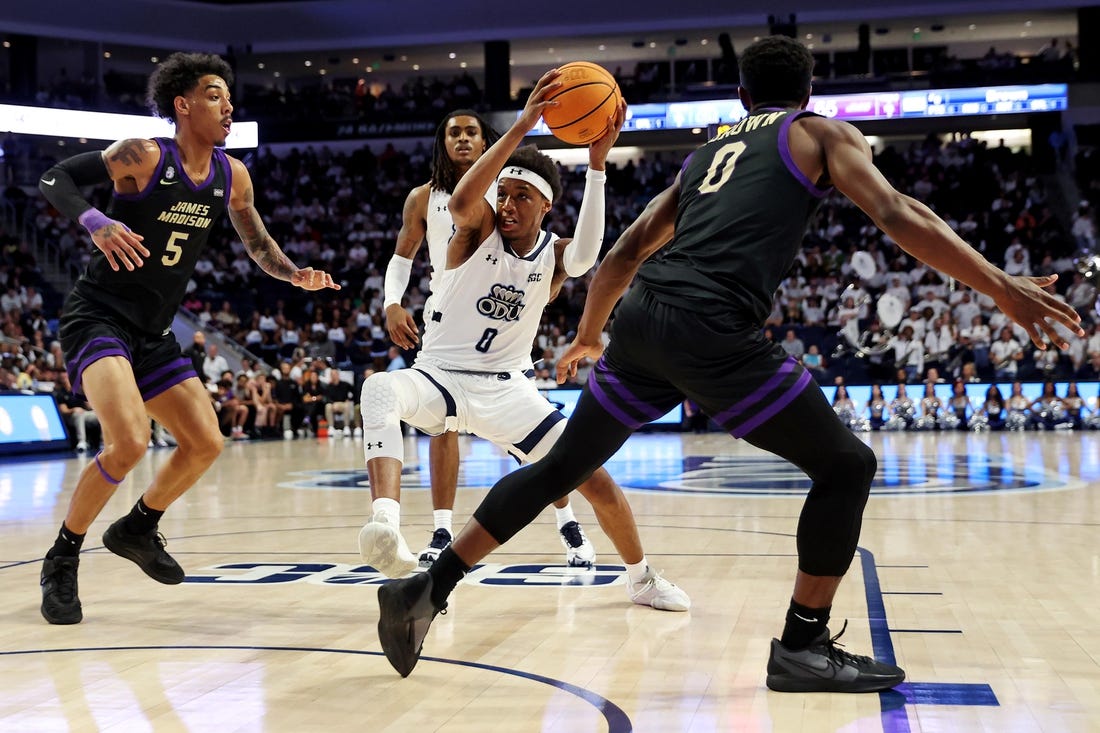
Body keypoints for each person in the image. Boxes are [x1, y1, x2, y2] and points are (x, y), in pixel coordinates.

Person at [375, 38, 1083, 688]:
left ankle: (425, 590)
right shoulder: (819, 134)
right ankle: (803, 645)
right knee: (846, 466)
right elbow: (897, 214)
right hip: (711, 325)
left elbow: (622, 254)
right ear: (806, 95)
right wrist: (1001, 285)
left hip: (642, 322)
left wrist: (592, 336)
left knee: (561, 469)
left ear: (742, 97)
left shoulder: (705, 155)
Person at [361, 75, 688, 609]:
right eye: (504, 194)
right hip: (438, 375)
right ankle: (386, 526)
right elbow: (466, 199)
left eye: (521, 197)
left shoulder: (555, 256)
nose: (507, 205)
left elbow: (587, 257)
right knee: (377, 389)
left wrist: (599, 163)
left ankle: (642, 576)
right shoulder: (475, 228)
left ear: (545, 207)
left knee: (595, 480)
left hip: (508, 391)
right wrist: (522, 126)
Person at [36, 52, 339, 625]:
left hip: (152, 330)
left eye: (229, 97)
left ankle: (137, 526)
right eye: (215, 94)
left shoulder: (232, 174)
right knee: (127, 442)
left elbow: (257, 244)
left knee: (206, 442)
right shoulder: (145, 155)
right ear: (183, 104)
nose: (228, 105)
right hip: (98, 315)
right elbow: (56, 178)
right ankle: (62, 558)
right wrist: (96, 223)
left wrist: (294, 273)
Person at [381, 108, 594, 568]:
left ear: (486, 142)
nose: (461, 139)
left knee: (532, 435)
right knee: (442, 426)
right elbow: (402, 256)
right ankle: (441, 528)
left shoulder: (505, 199)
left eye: (470, 132)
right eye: (452, 132)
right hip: (448, 313)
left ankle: (566, 518)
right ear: (442, 142)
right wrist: (392, 302)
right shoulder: (422, 198)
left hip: (497, 312)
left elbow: (550, 250)